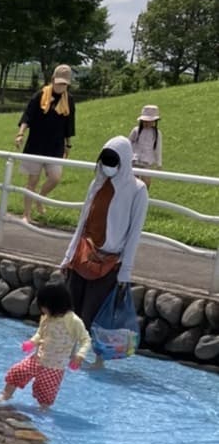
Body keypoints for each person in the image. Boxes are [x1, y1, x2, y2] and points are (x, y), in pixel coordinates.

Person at [59, 134, 148, 336]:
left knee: (94, 318)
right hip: (82, 255)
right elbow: (83, 222)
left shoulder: (137, 190)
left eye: (112, 161)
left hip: (109, 262)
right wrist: (68, 256)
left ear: (123, 161)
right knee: (69, 316)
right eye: (104, 161)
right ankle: (69, 359)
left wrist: (125, 271)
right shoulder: (97, 184)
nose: (108, 166)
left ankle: (93, 360)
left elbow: (134, 233)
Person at [0, 278, 90, 409]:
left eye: (43, 306)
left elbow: (86, 339)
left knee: (45, 391)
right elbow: (40, 333)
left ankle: (43, 410)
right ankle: (5, 396)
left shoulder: (73, 321)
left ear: (55, 304)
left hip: (54, 366)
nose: (42, 309)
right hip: (37, 358)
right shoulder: (47, 317)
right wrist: (32, 342)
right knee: (17, 372)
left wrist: (80, 355)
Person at [14, 64, 76, 223]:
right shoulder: (40, 95)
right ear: (53, 80)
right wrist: (21, 134)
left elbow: (69, 124)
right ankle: (26, 214)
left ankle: (40, 198)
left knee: (55, 177)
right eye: (59, 82)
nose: (61, 86)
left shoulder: (69, 100)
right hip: (36, 144)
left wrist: (68, 144)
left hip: (55, 146)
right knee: (32, 181)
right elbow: (27, 116)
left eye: (64, 84)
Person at [129, 104, 162, 188]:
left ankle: (143, 196)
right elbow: (128, 142)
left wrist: (159, 163)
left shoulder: (156, 133)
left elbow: (158, 148)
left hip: (147, 161)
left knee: (146, 181)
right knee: (133, 181)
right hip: (135, 160)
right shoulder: (136, 130)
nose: (147, 123)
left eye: (149, 121)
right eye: (145, 121)